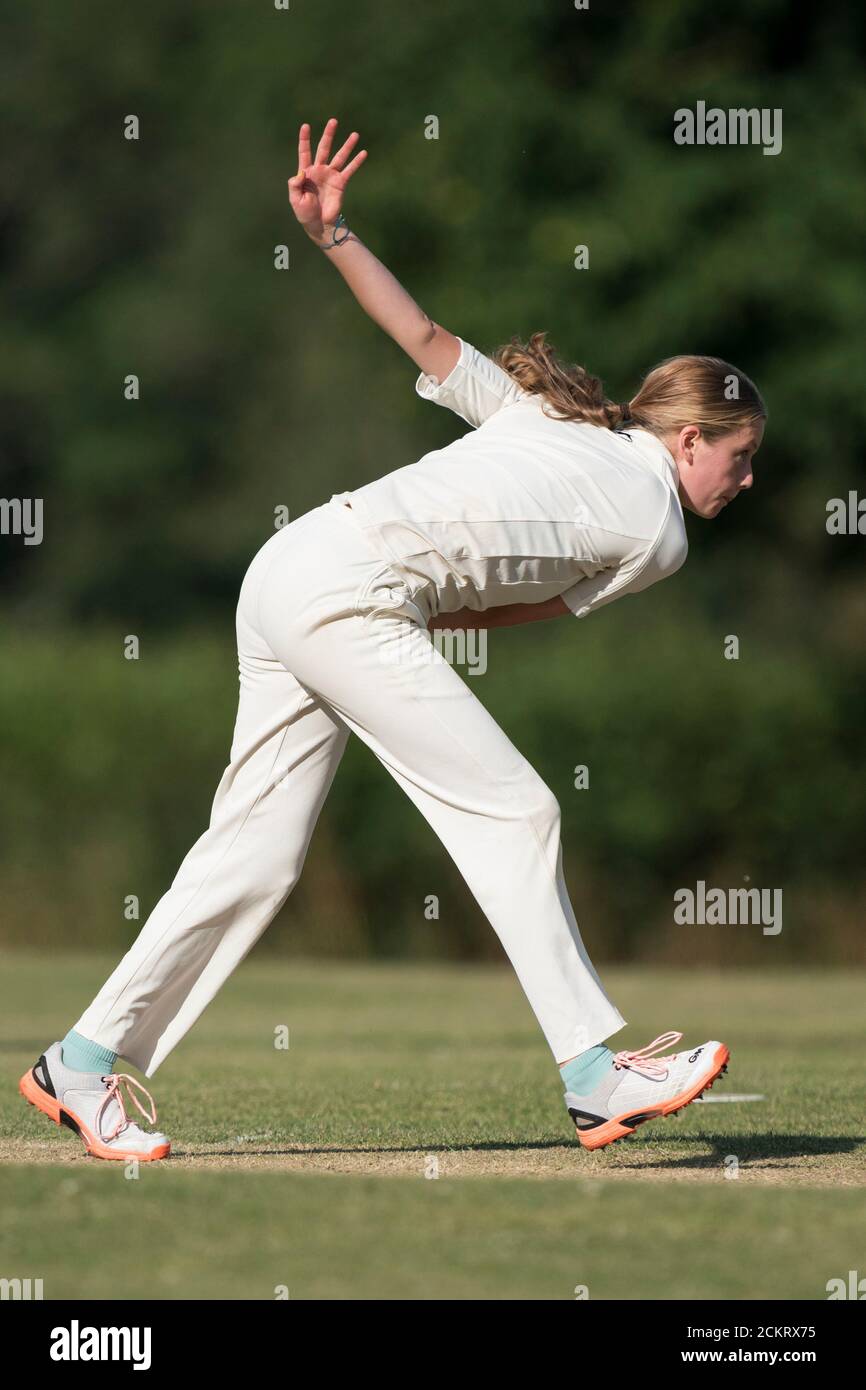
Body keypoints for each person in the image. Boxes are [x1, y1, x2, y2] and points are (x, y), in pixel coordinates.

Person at [20, 118, 764, 1160]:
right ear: (690, 440)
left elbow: (419, 336)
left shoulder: (542, 412)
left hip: (288, 565)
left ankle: (82, 1062)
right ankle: (595, 1076)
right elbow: (529, 611)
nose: (745, 478)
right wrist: (433, 613)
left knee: (257, 853)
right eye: (738, 456)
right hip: (347, 594)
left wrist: (333, 236)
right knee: (516, 807)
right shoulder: (660, 528)